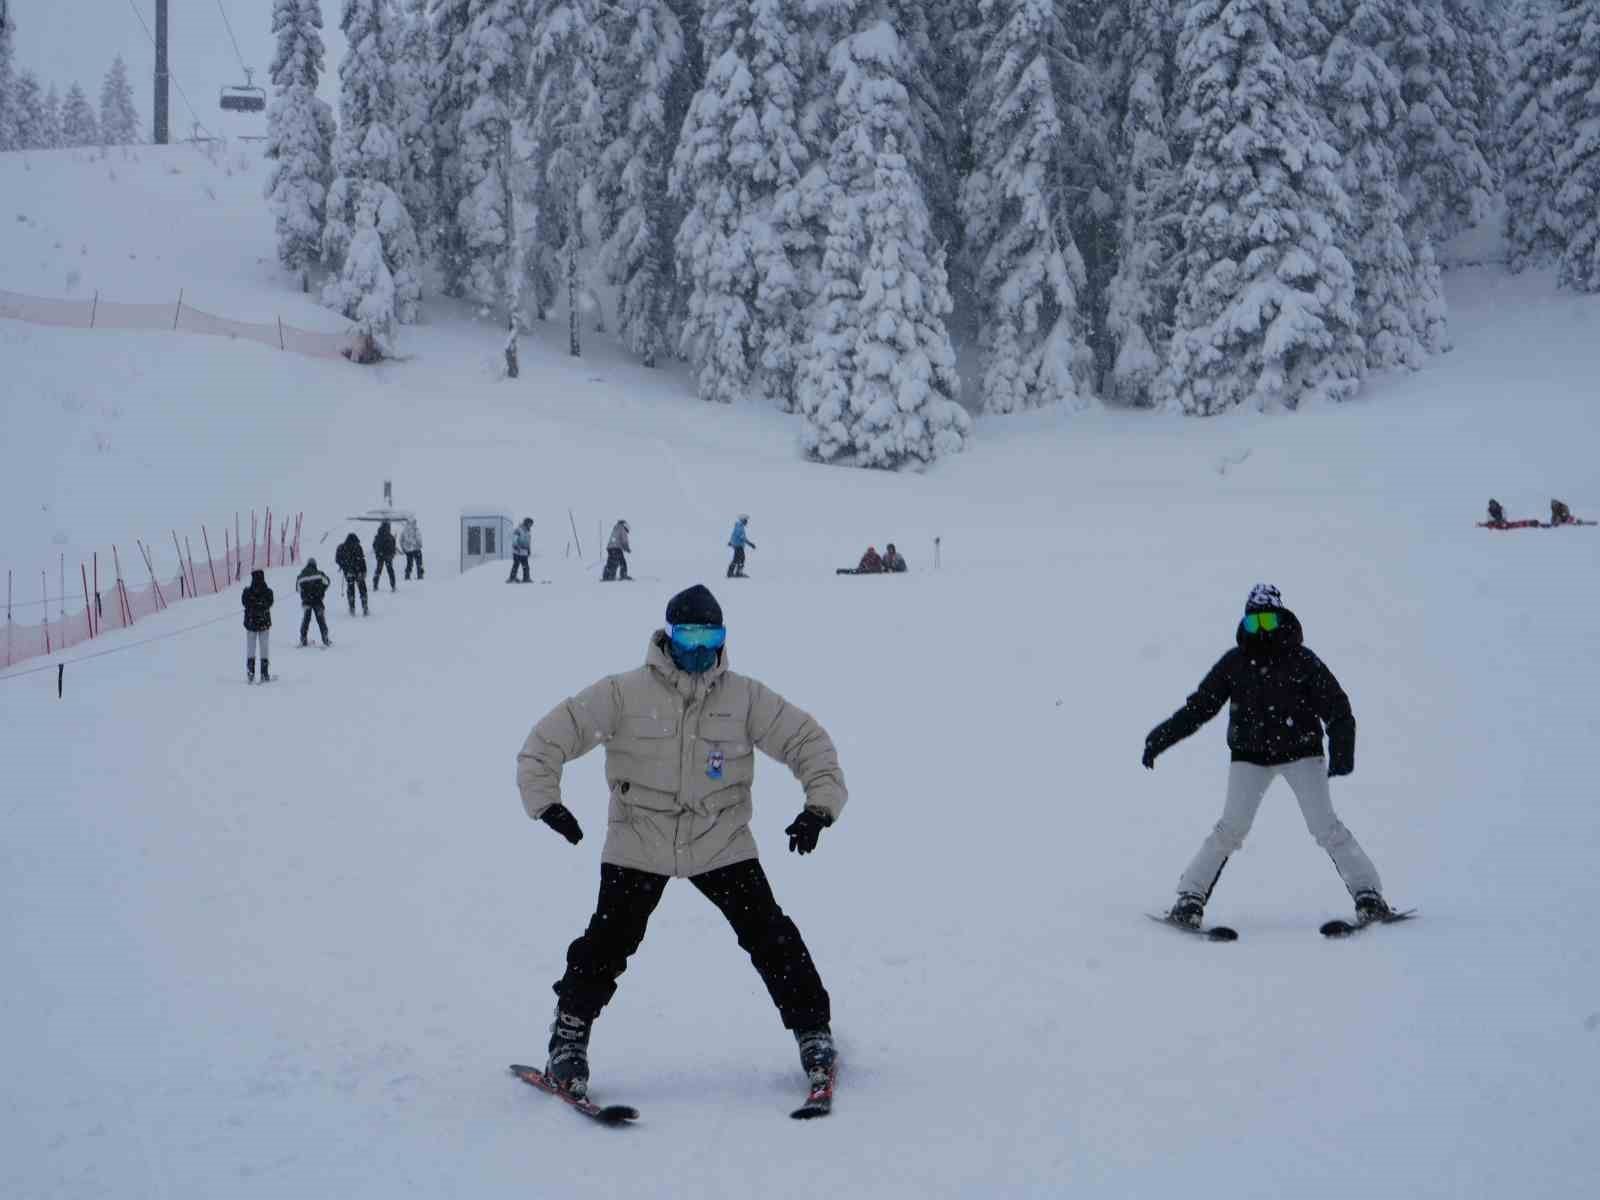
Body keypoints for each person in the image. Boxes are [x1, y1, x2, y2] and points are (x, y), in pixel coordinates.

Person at [516, 584, 846, 1100]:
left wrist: (818, 808)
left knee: (770, 936)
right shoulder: (622, 693)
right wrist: (546, 803)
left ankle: (814, 1033)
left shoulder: (745, 697)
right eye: (689, 635)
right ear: (667, 637)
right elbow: (545, 743)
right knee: (606, 944)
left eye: (710, 636)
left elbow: (809, 743)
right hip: (639, 839)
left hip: (720, 840)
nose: (699, 649)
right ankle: (568, 1038)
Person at [1142, 584, 1391, 928]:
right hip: (1249, 758)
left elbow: (1337, 706)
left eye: (1268, 622)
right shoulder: (1235, 662)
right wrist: (1161, 737)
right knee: (1230, 829)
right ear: (1244, 625)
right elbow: (1200, 707)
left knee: (1325, 827)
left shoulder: (1303, 661)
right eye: (1253, 623)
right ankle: (1190, 898)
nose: (1261, 630)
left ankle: (1369, 897)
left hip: (1303, 754)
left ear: (1282, 621)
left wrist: (1342, 750)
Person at [241, 568, 273, 683]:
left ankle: (250, 673)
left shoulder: (247, 592)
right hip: (264, 623)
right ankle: (264, 673)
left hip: (251, 623)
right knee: (264, 648)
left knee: (250, 648)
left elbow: (244, 602)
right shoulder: (268, 592)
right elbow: (270, 602)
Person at [295, 558, 333, 647]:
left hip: (306, 601)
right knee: (321, 620)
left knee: (306, 619)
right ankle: (325, 639)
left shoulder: (301, 576)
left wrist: (305, 593)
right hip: (317, 600)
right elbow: (327, 582)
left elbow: (297, 589)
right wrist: (323, 590)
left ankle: (303, 638)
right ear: (315, 565)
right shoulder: (319, 574)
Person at [335, 533, 370, 616]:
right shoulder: (358, 547)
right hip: (359, 571)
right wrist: (364, 570)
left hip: (348, 572)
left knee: (351, 589)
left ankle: (352, 608)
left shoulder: (341, 547)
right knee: (362, 589)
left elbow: (337, 559)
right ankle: (365, 607)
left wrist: (343, 566)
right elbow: (362, 559)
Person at [373, 520, 398, 592]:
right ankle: (393, 586)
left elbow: (374, 545)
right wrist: (392, 554)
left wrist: (377, 552)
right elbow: (393, 546)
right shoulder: (390, 536)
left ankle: (375, 585)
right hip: (388, 556)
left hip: (380, 556)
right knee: (390, 571)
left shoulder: (378, 536)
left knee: (378, 570)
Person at [727, 514, 755, 578]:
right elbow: (742, 537)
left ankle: (732, 573)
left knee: (737, 559)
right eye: (746, 520)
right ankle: (736, 573)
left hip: (737, 545)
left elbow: (733, 535)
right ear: (742, 520)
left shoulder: (739, 526)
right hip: (738, 545)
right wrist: (750, 544)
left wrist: (731, 542)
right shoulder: (739, 526)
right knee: (741, 558)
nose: (747, 522)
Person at [508, 518, 533, 584]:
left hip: (524, 552)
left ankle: (526, 578)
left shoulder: (528, 532)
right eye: (529, 524)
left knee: (526, 566)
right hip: (517, 551)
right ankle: (512, 578)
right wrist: (516, 546)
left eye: (531, 524)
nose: (530, 526)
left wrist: (529, 549)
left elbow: (528, 542)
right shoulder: (519, 529)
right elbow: (514, 538)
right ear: (526, 523)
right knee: (516, 565)